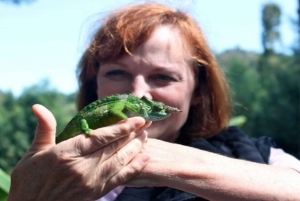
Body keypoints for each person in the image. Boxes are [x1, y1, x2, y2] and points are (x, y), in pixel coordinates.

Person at [8, 2, 300, 201]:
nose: (138, 94)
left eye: (163, 77)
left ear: (199, 89)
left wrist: (155, 160)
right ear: (93, 83)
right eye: (118, 73)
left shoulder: (259, 155)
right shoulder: (62, 175)